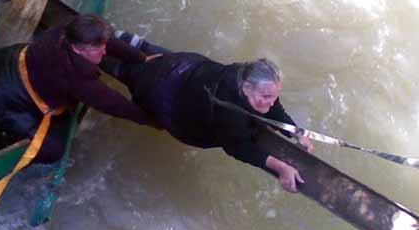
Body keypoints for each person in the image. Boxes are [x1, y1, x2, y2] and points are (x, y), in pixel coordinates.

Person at [101, 32, 314, 193]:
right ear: (246, 88)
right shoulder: (229, 112)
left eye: (274, 96)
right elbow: (239, 148)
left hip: (183, 65)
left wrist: (296, 132)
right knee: (125, 70)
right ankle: (99, 56)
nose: (271, 103)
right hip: (162, 91)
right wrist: (281, 167)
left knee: (153, 56)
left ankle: (124, 39)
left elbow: (275, 109)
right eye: (266, 96)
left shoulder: (243, 72)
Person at [0, 15, 159, 163]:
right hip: (2, 98)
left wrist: (141, 58)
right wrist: (152, 120)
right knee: (54, 151)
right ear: (77, 49)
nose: (104, 51)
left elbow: (107, 42)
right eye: (97, 48)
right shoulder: (77, 80)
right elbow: (117, 105)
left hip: (9, 60)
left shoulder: (70, 26)